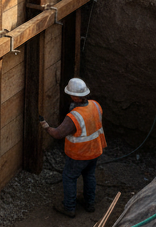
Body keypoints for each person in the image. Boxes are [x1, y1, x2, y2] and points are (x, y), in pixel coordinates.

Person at [41, 77, 107, 218]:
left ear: (75, 97)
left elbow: (58, 133)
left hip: (79, 154)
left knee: (69, 177)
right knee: (89, 175)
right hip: (95, 150)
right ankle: (90, 204)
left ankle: (69, 207)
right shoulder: (95, 105)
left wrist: (46, 127)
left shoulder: (74, 116)